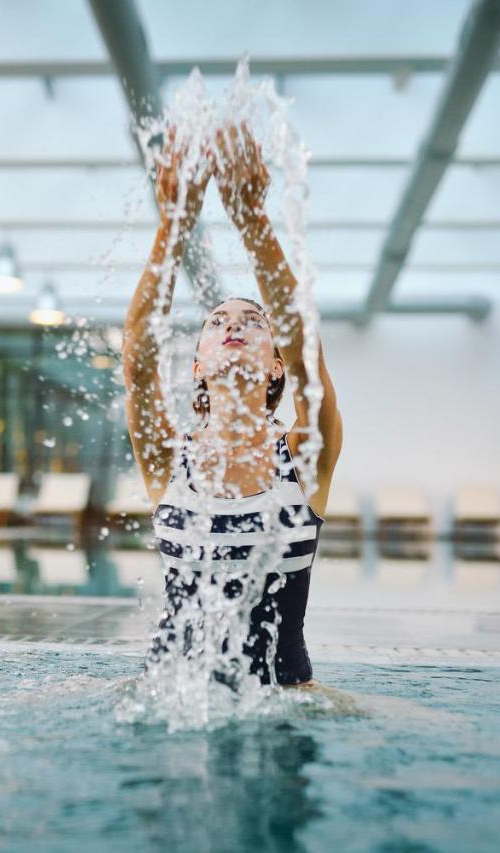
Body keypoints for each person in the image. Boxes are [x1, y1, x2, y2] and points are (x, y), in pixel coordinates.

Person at [122, 123, 344, 687]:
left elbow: (308, 353)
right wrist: (172, 225)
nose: (233, 326)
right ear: (197, 362)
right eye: (217, 322)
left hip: (285, 710)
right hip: (169, 707)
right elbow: (138, 365)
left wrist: (253, 220)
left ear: (276, 365)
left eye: (252, 321)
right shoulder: (169, 460)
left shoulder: (305, 456)